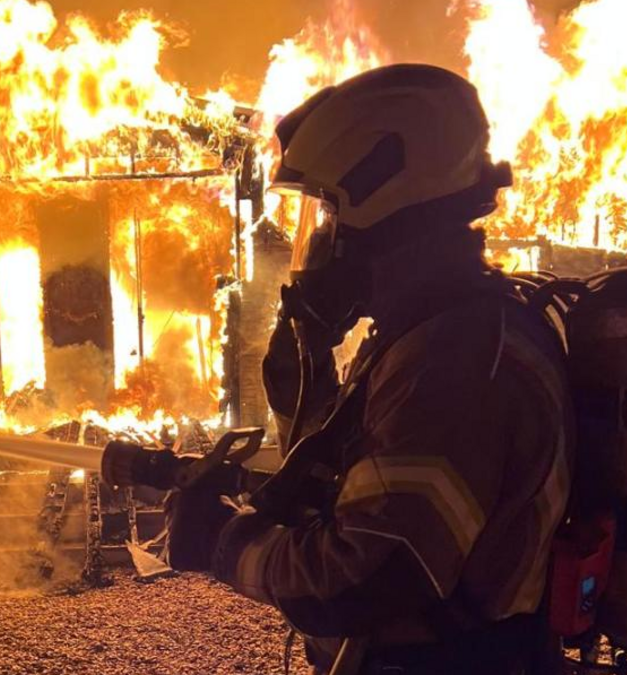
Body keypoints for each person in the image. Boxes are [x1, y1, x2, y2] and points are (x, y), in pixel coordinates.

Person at [164, 64, 574, 675]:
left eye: (327, 217)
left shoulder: (454, 360)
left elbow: (361, 579)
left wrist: (222, 542)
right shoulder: (428, 334)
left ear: (386, 205)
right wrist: (303, 364)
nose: (319, 243)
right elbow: (353, 492)